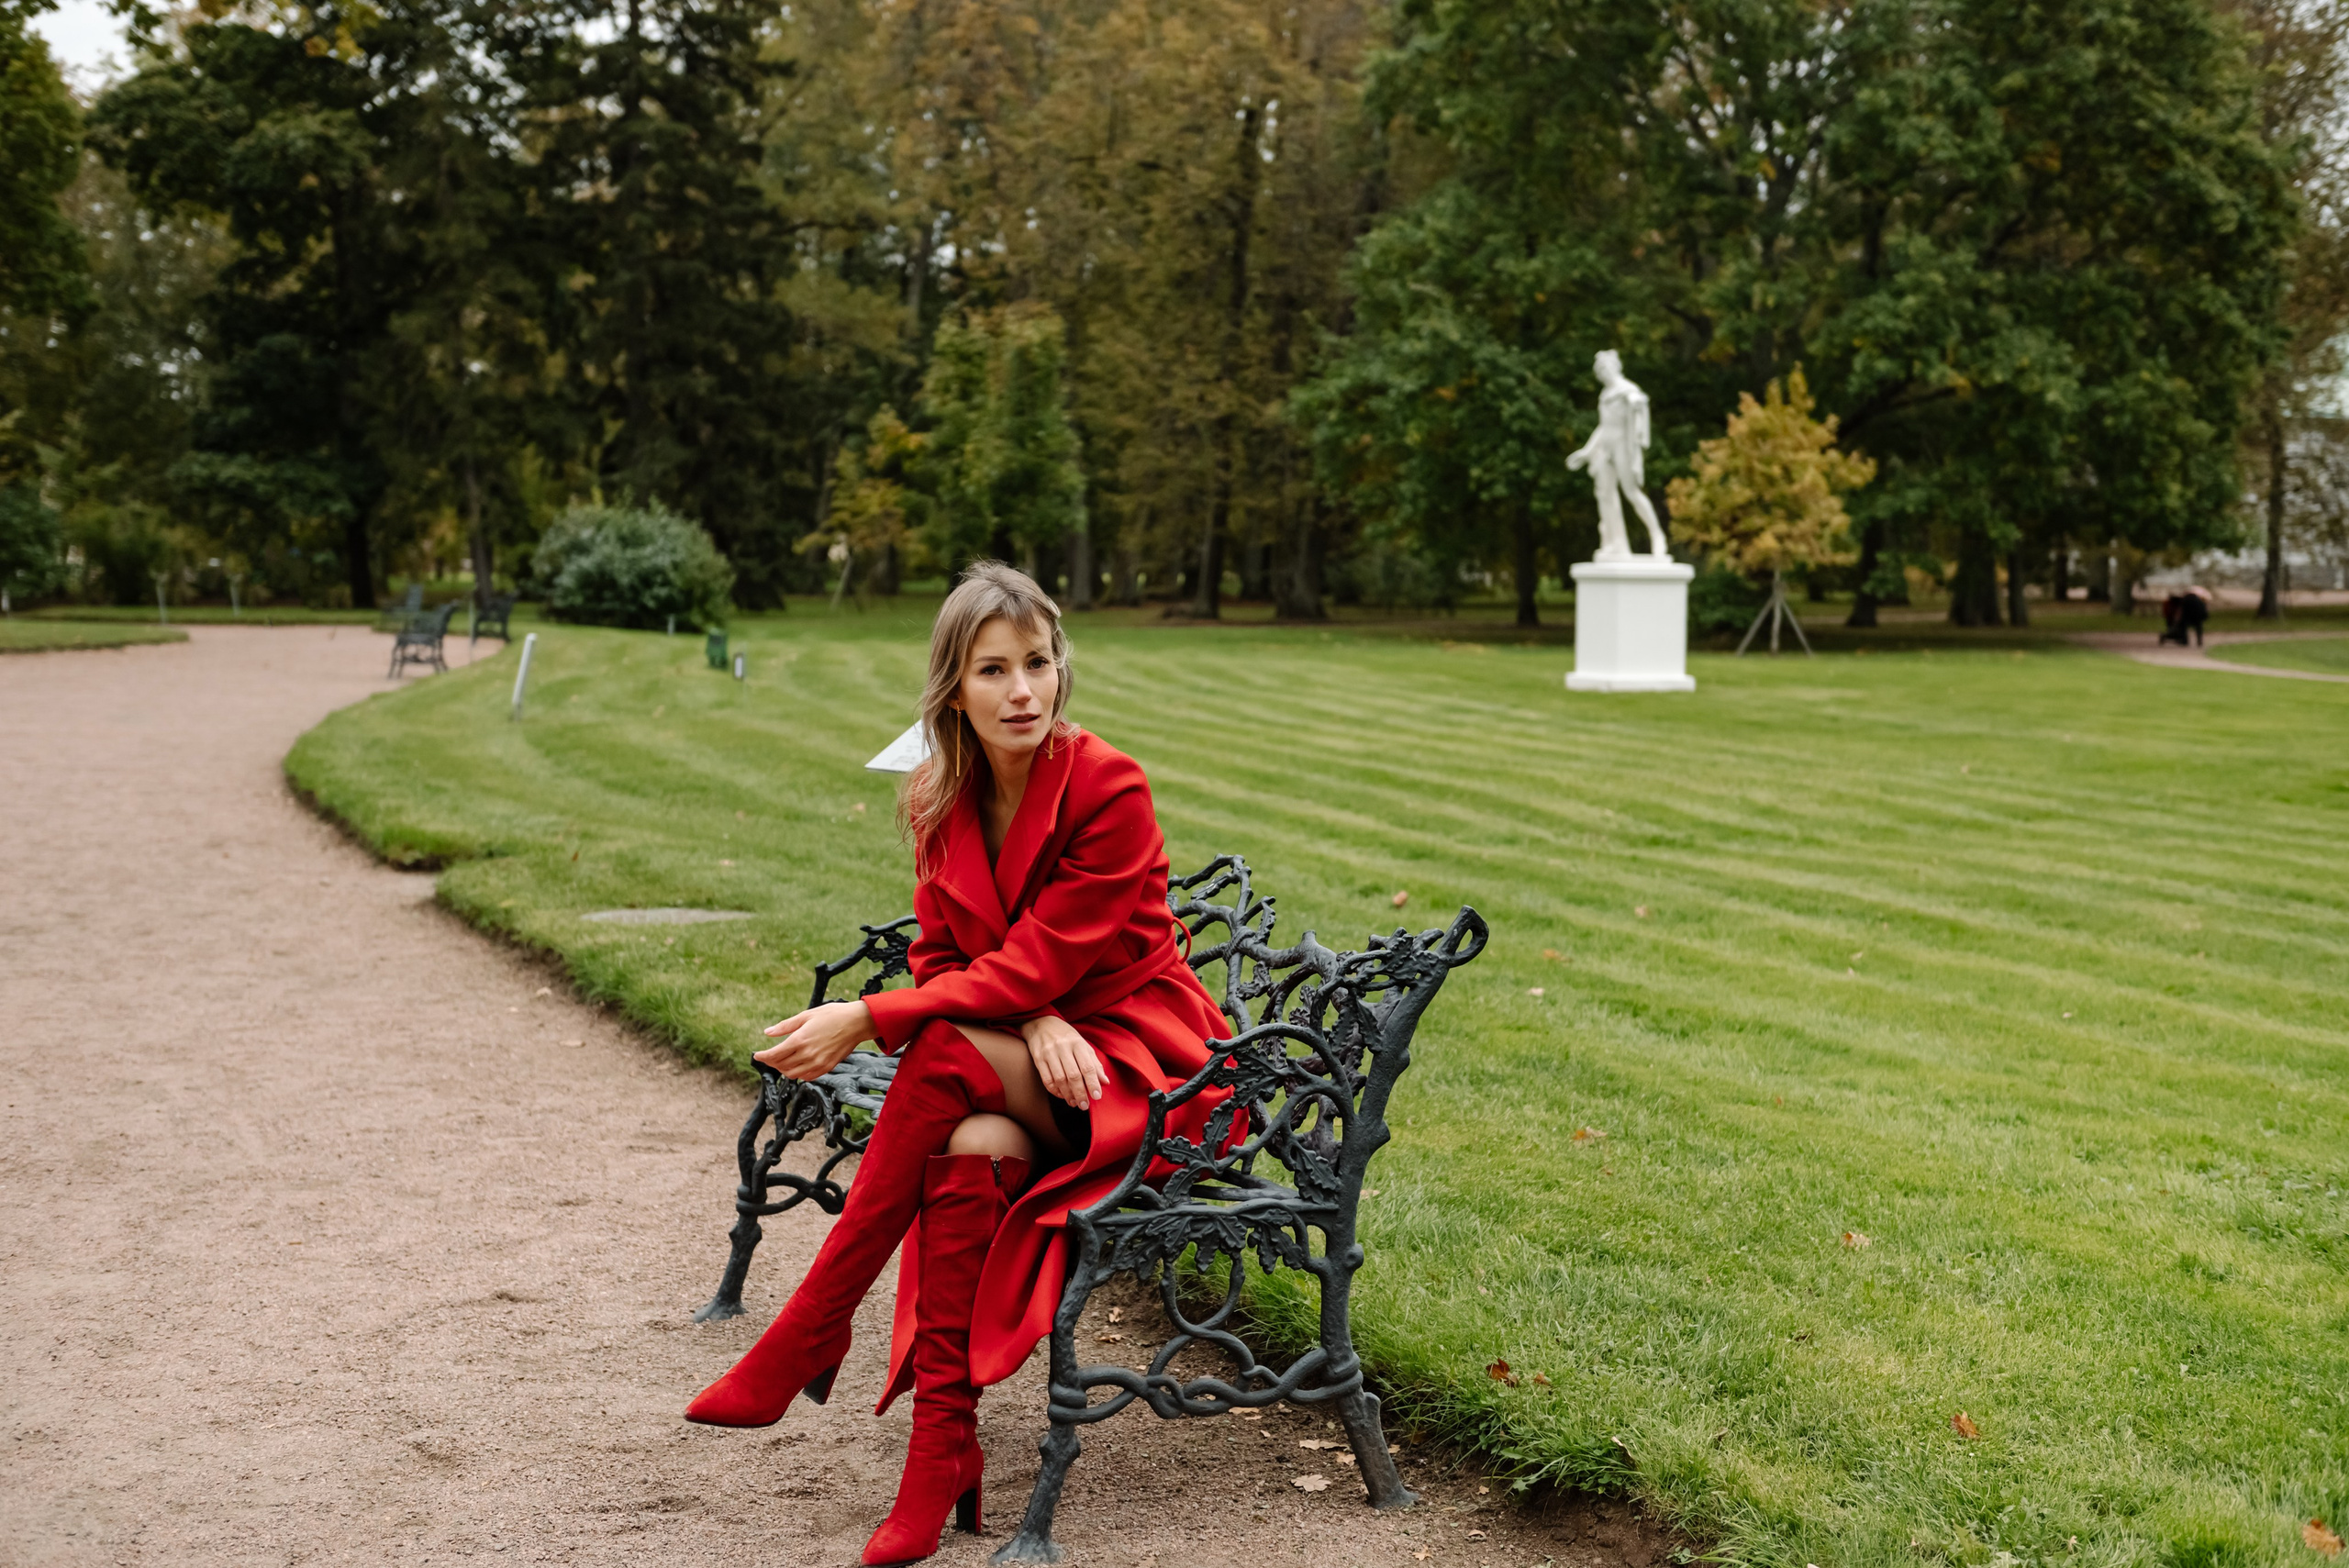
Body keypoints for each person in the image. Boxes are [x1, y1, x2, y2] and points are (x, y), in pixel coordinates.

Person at [683, 562, 1232, 1567]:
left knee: (932, 1051)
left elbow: (1035, 959)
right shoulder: (940, 793)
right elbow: (948, 958)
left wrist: (868, 1012)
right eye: (994, 669)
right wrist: (1031, 1025)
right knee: (967, 1143)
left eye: (1038, 662)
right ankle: (941, 1451)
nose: (1024, 689)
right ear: (954, 689)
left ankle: (814, 1321)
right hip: (1034, 1053)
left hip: (1147, 1065)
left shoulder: (1107, 783)